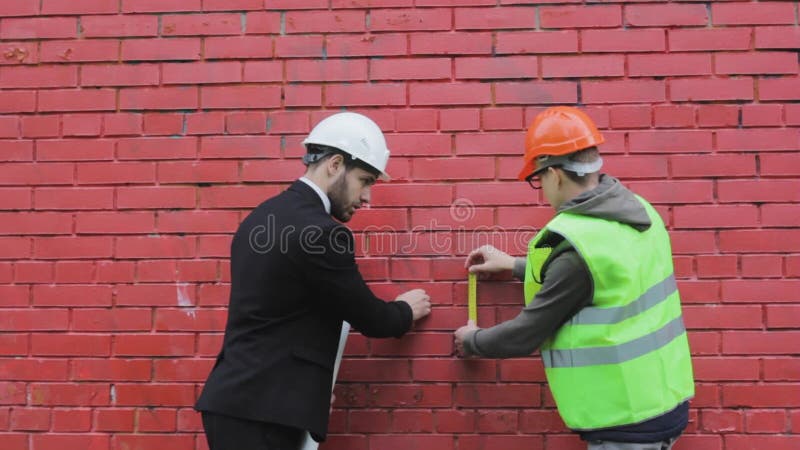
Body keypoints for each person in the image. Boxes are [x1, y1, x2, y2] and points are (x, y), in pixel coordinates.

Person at [454, 106, 695, 450]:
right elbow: (606, 274)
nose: (542, 189)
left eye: (538, 179)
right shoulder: (638, 212)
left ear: (555, 174)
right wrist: (516, 265)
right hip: (664, 399)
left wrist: (473, 341)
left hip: (626, 421)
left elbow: (527, 333)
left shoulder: (576, 244)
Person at [196, 112, 432, 450]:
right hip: (264, 414)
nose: (367, 197)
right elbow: (370, 317)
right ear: (335, 165)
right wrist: (405, 310)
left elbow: (282, 316)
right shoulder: (323, 233)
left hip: (239, 404)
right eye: (365, 181)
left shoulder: (260, 217)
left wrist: (309, 390)